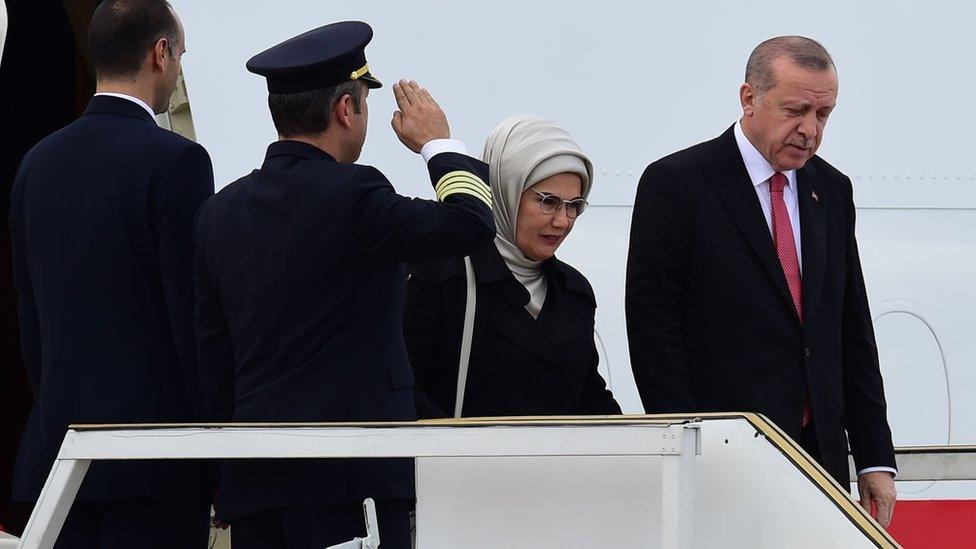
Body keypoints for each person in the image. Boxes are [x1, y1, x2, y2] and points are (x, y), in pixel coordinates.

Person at [193, 21, 495, 549]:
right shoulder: (357, 194)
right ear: (346, 110)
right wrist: (439, 144)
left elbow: (215, 364)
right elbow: (471, 221)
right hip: (352, 490)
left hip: (258, 489)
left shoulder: (219, 213)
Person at [625, 36, 898, 527]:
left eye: (824, 114)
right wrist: (690, 445)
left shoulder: (832, 190)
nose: (810, 130)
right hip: (724, 458)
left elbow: (850, 327)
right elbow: (653, 329)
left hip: (822, 458)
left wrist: (875, 456)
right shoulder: (677, 184)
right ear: (749, 98)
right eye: (796, 110)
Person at [8, 0, 213, 546]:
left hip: (57, 458)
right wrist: (212, 445)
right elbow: (190, 319)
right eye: (180, 56)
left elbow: (30, 324)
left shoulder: (36, 163)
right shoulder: (178, 162)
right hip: (152, 466)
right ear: (160, 53)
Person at [404, 115, 620, 419]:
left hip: (556, 466)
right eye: (548, 201)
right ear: (506, 191)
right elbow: (404, 391)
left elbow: (589, 397)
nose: (563, 221)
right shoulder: (442, 275)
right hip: (458, 464)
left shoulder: (574, 291)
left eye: (574, 205)